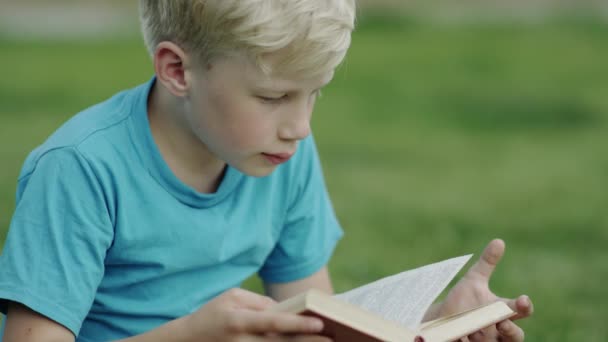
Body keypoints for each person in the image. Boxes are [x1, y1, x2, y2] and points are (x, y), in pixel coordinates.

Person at [0, 1, 533, 341]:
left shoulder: (279, 154)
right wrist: (192, 336)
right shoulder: (80, 169)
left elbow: (315, 323)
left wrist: (435, 321)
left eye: (313, 94)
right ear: (177, 70)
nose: (299, 126)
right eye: (274, 96)